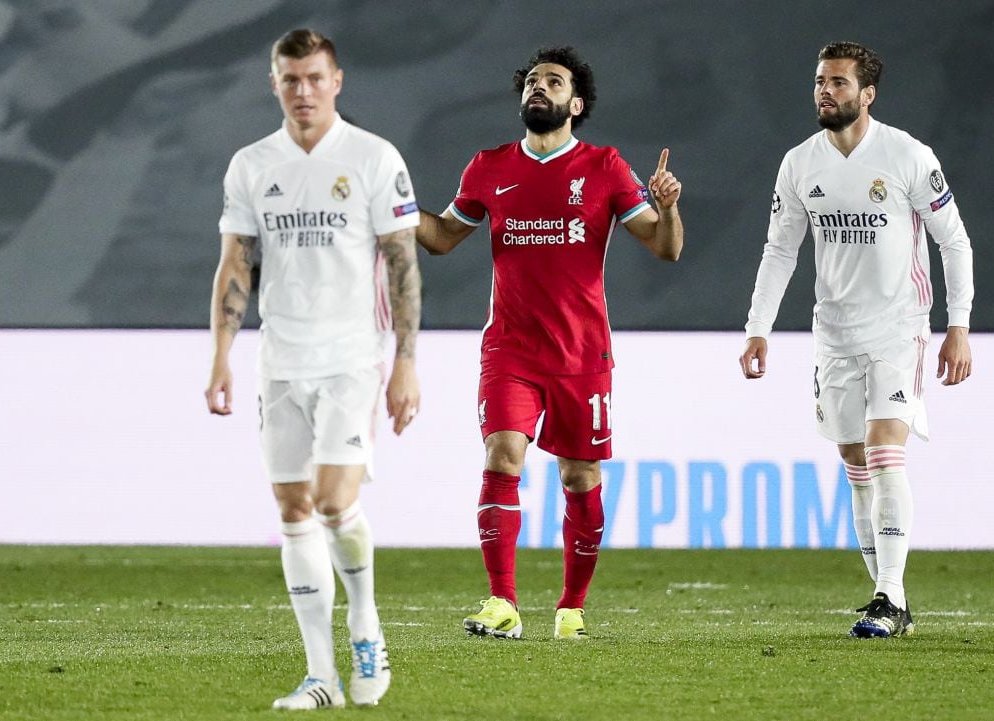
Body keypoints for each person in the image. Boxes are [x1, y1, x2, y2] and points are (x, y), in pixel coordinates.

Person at [415, 46, 683, 640]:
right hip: (510, 349)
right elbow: (441, 239)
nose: (539, 88)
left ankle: (570, 607)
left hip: (582, 355)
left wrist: (668, 209)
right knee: (502, 455)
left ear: (575, 103)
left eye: (553, 82)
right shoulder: (488, 166)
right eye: (532, 81)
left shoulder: (606, 166)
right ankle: (502, 603)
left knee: (578, 479)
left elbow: (666, 248)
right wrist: (399, 208)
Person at [205, 28, 422, 709]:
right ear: (275, 83)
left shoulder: (372, 157)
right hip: (281, 362)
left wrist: (406, 363)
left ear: (338, 80)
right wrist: (221, 356)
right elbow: (237, 264)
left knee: (334, 501)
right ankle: (321, 675)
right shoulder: (251, 165)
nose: (303, 91)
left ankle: (366, 626)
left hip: (352, 360)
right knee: (293, 509)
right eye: (291, 79)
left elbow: (403, 264)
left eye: (315, 78)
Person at [740, 41, 974, 639]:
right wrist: (758, 328)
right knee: (853, 460)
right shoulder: (799, 164)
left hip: (899, 327)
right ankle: (888, 598)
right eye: (821, 81)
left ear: (867, 94)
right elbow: (780, 250)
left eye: (840, 83)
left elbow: (954, 241)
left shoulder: (907, 156)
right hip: (834, 334)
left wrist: (958, 326)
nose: (826, 91)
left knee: (883, 447)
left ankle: (889, 597)